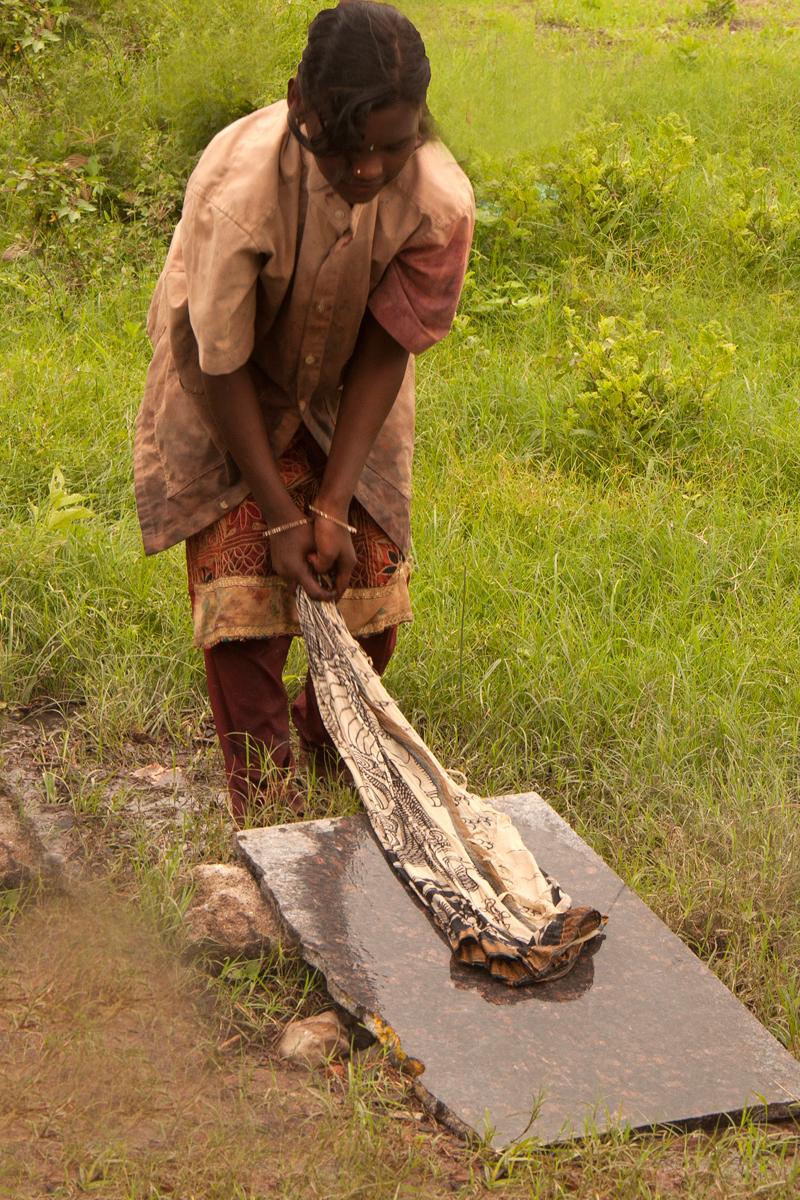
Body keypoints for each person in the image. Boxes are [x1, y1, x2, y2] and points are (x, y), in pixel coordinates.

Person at [134, 0, 475, 825]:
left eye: (391, 147)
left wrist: (329, 503)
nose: (367, 170)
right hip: (225, 389)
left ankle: (319, 750)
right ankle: (272, 807)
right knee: (245, 607)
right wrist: (282, 517)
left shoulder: (438, 203)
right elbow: (222, 363)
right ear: (299, 104)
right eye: (345, 145)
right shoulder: (237, 194)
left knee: (369, 599)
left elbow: (388, 346)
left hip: (347, 393)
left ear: (420, 124)